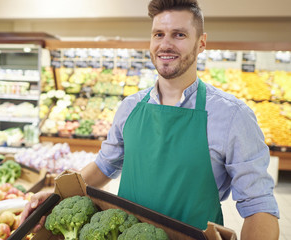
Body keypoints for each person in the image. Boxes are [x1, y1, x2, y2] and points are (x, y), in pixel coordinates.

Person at [20, 0, 280, 239]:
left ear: (201, 43)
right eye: (159, 34)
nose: (165, 44)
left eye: (179, 34)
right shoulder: (130, 107)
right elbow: (103, 167)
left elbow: (259, 206)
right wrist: (55, 197)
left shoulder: (233, 116)